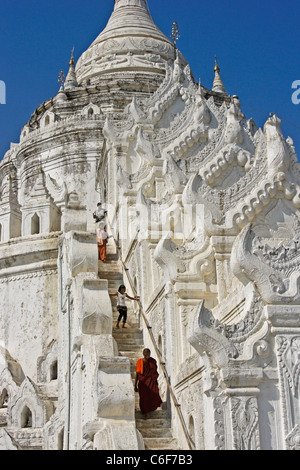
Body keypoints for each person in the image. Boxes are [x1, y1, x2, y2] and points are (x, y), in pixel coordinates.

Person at [134, 348, 162, 419]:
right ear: (143, 354)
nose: (147, 356)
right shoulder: (140, 362)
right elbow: (137, 374)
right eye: (146, 355)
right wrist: (135, 385)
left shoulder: (152, 361)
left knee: (154, 393)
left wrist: (154, 379)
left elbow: (154, 371)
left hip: (151, 381)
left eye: (149, 355)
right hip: (143, 383)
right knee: (143, 398)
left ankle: (150, 409)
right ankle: (145, 412)